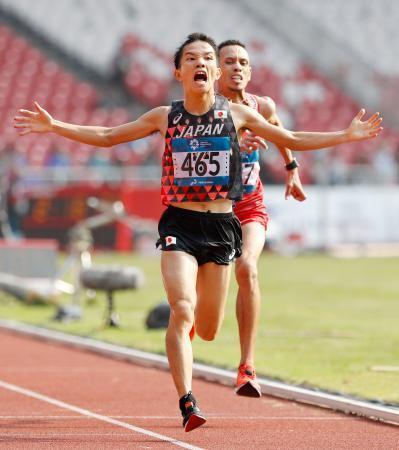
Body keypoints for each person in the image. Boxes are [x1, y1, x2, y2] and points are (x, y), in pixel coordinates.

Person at [13, 33, 383, 432]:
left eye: (207, 57)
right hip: (179, 224)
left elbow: (290, 139)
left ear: (216, 71)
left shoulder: (238, 115)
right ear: (179, 72)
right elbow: (107, 137)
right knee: (182, 308)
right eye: (191, 58)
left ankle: (202, 345)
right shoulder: (163, 116)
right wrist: (54, 126)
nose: (200, 63)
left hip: (222, 227)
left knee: (207, 329)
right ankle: (187, 400)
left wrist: (345, 136)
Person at [217, 39, 307, 397]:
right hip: (212, 209)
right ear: (216, 70)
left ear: (250, 71)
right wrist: (237, 146)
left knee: (247, 268)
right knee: (206, 302)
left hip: (250, 205)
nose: (237, 67)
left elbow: (279, 127)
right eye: (230, 62)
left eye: (243, 62)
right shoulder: (206, 109)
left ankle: (247, 367)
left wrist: (292, 168)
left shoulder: (262, 104)